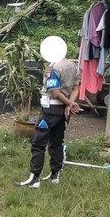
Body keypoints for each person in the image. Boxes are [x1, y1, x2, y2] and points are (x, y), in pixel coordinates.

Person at [17, 44, 80, 188]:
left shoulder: (53, 69)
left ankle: (34, 178)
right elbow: (76, 87)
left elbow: (55, 92)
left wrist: (68, 103)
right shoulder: (72, 65)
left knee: (38, 143)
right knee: (56, 142)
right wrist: (70, 103)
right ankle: (55, 175)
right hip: (62, 111)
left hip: (50, 110)